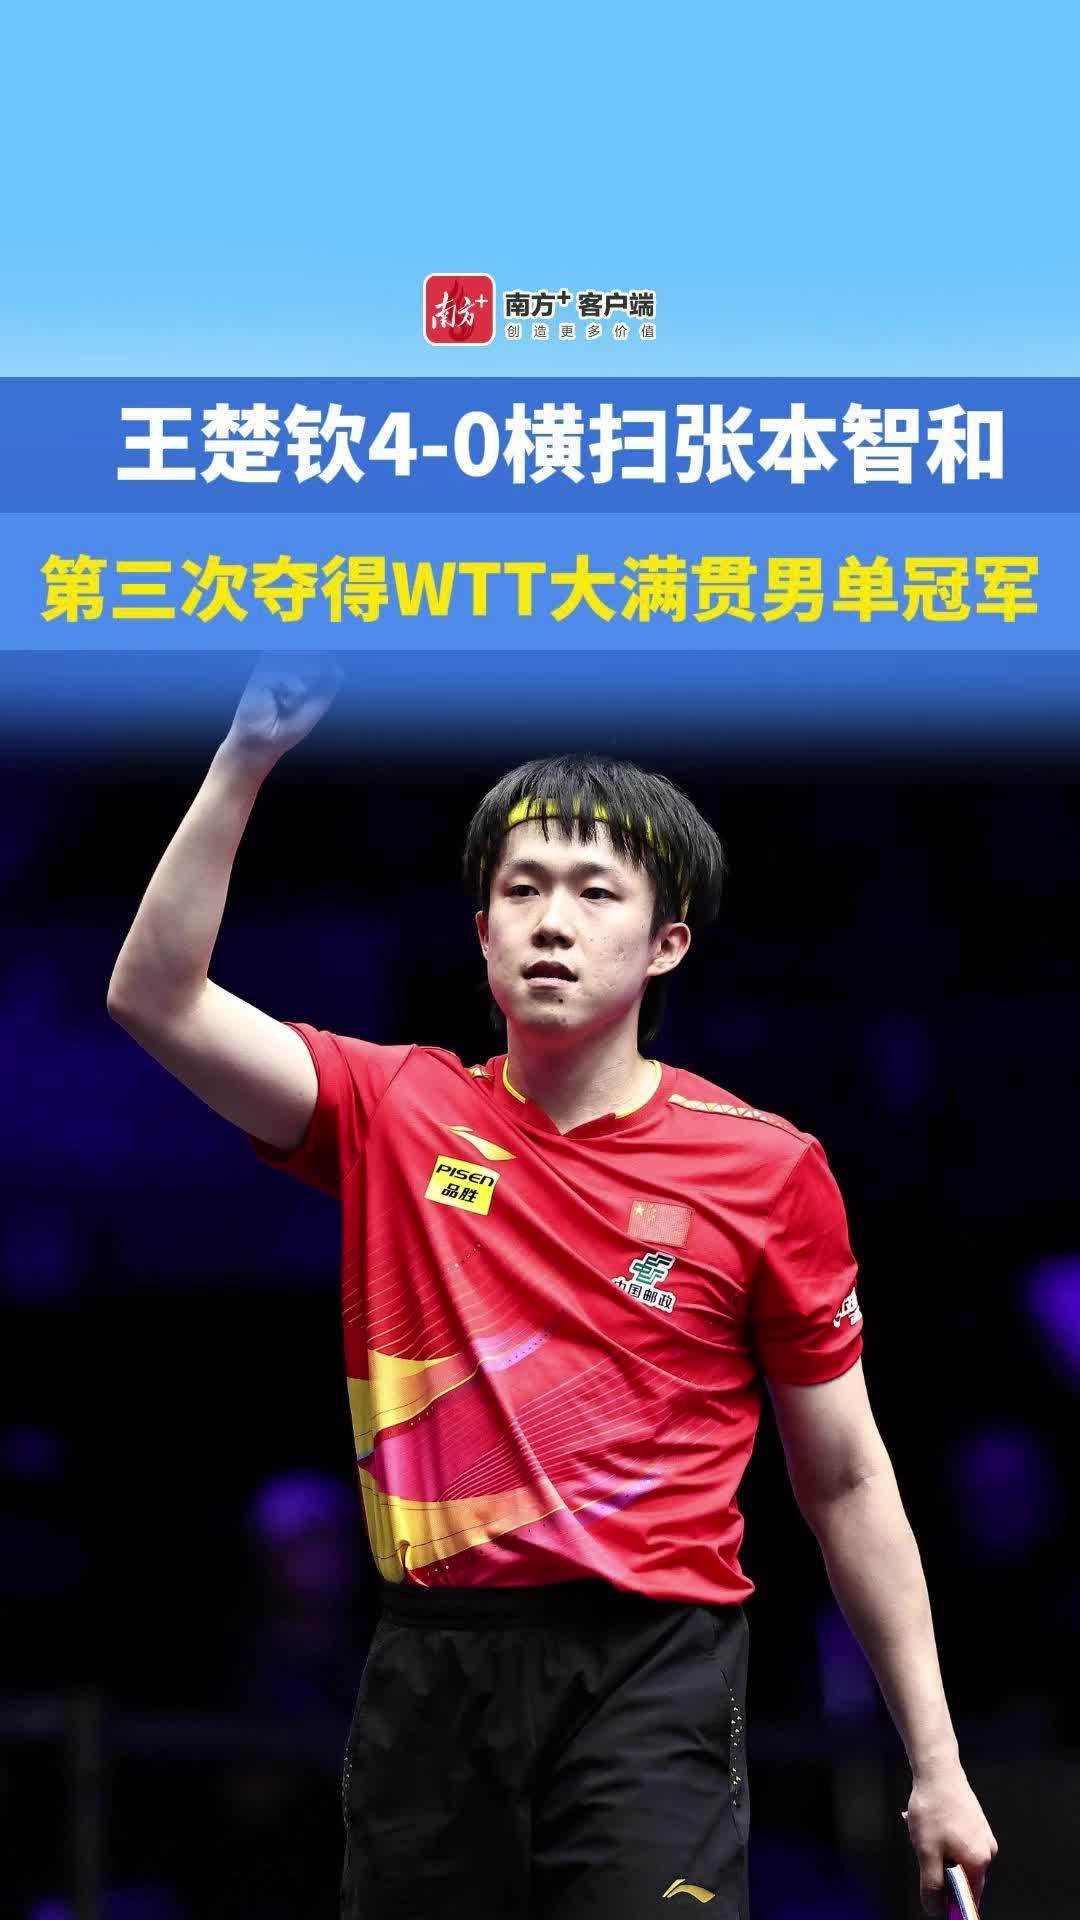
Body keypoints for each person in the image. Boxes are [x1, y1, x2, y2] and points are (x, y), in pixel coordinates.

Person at [107, 654, 997, 1920]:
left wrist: (937, 1763)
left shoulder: (766, 1169)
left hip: (652, 1667)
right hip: (433, 1664)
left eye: (595, 891)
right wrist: (245, 757)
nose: (552, 921)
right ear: (482, 933)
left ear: (667, 941)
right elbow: (154, 997)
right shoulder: (395, 1110)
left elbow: (846, 1477)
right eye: (520, 889)